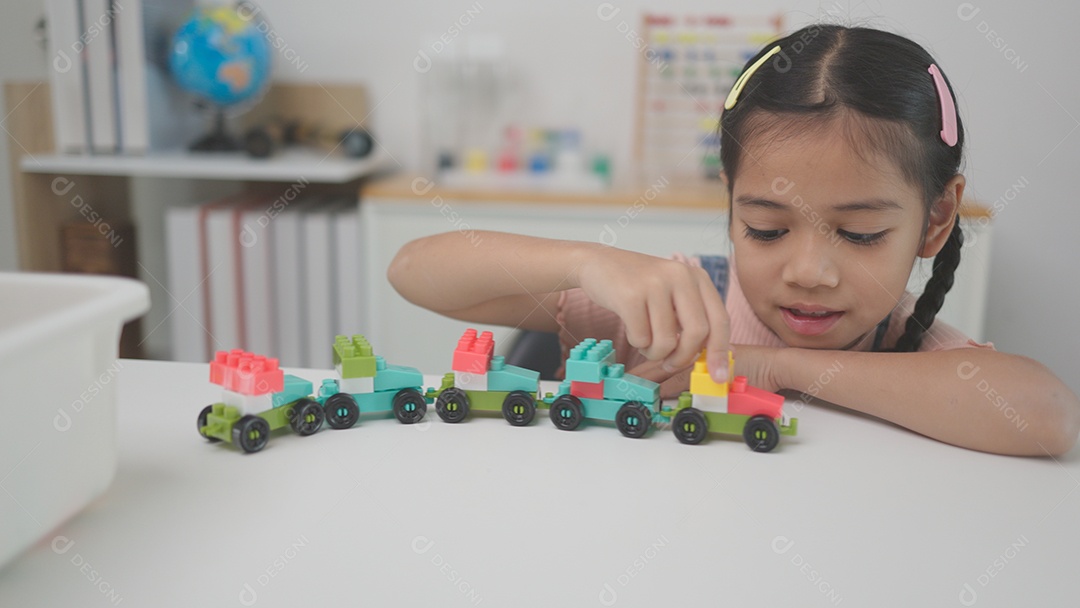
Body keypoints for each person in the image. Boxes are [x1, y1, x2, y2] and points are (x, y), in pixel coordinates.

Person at [388, 24, 1079, 456]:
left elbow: (1049, 416)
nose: (809, 270)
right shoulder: (677, 317)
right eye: (767, 228)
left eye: (861, 233)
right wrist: (587, 260)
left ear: (933, 220)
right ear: (730, 200)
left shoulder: (913, 352)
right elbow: (413, 270)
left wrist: (771, 368)